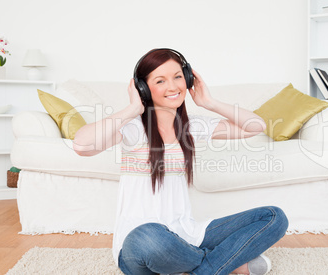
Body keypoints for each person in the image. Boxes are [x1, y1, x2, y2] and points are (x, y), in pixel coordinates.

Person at [73, 48, 289, 275]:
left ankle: (200, 269)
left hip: (188, 235)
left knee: (274, 217)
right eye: (160, 80)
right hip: (140, 244)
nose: (173, 86)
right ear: (144, 89)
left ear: (187, 79)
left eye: (178, 77)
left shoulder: (192, 126)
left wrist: (209, 103)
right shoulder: (132, 128)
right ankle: (225, 262)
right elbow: (81, 145)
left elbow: (256, 126)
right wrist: (132, 109)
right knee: (150, 235)